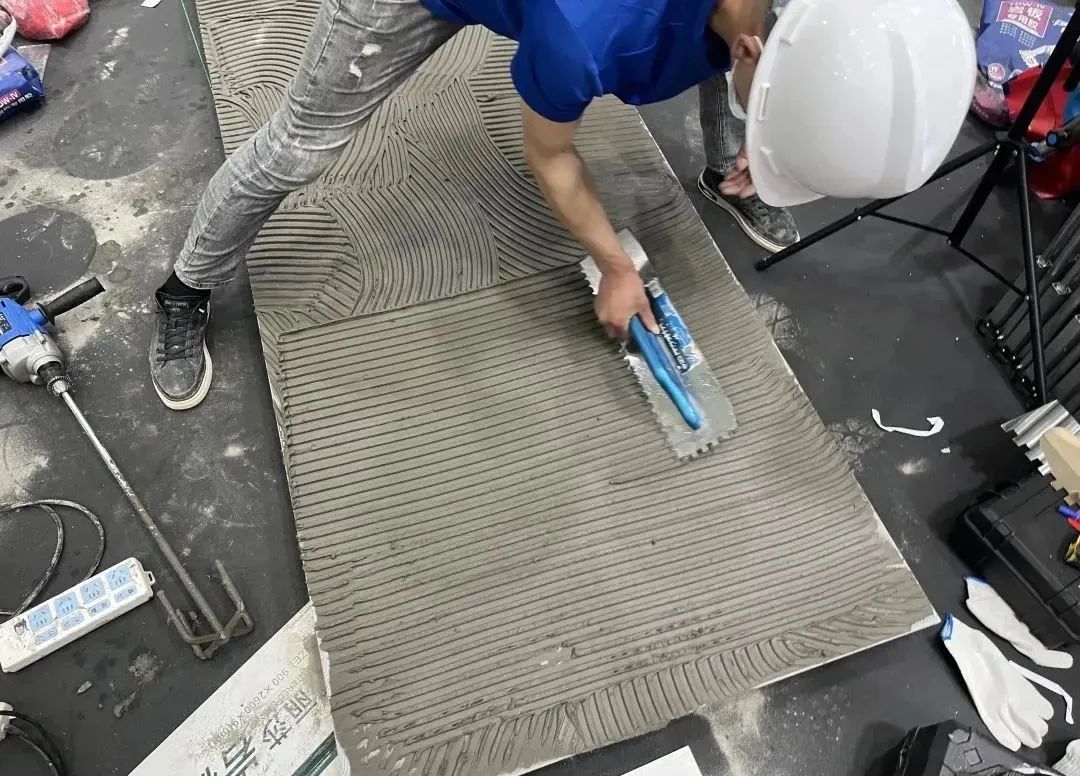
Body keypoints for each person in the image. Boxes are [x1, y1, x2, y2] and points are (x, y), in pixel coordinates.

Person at [149, 0, 974, 411]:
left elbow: (770, 58)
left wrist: (775, 138)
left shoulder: (810, 24)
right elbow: (550, 155)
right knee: (300, 146)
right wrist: (615, 265)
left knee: (746, 75)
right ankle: (185, 285)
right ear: (759, 48)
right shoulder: (590, 35)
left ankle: (726, 165)